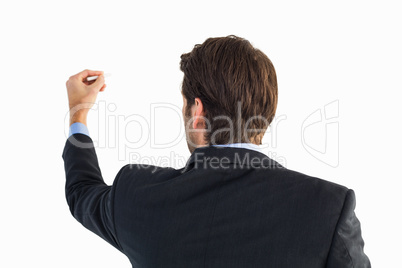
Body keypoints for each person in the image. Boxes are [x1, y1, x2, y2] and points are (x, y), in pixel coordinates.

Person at [62, 35, 370, 267]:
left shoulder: (138, 195)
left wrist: (79, 112)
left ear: (197, 110)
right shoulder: (328, 208)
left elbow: (82, 192)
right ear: (267, 112)